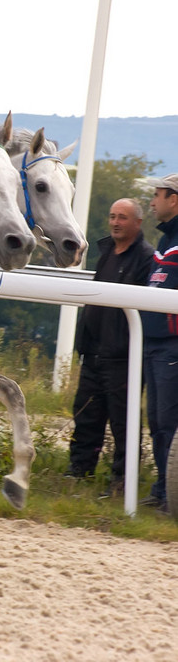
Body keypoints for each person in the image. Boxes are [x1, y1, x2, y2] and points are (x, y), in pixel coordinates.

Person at [66, 198, 154, 496]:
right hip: (94, 354)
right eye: (112, 216)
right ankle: (78, 474)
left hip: (123, 359)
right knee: (86, 416)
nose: (116, 222)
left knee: (123, 423)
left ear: (137, 223)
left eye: (123, 217)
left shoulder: (146, 258)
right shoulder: (105, 252)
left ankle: (122, 483)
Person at [139, 173, 178, 512]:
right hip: (153, 342)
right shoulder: (165, 240)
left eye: (157, 194)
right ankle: (162, 489)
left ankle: (168, 495)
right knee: (157, 422)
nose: (152, 201)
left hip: (171, 344)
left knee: (167, 423)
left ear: (174, 199)